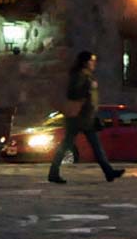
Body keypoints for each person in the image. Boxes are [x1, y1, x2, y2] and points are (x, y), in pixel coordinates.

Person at [48, 51, 124, 185]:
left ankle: (108, 172)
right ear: (85, 62)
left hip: (86, 117)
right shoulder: (80, 75)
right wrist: (88, 87)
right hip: (78, 117)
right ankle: (53, 173)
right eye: (91, 61)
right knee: (69, 145)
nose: (94, 63)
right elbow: (73, 93)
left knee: (93, 146)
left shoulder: (86, 75)